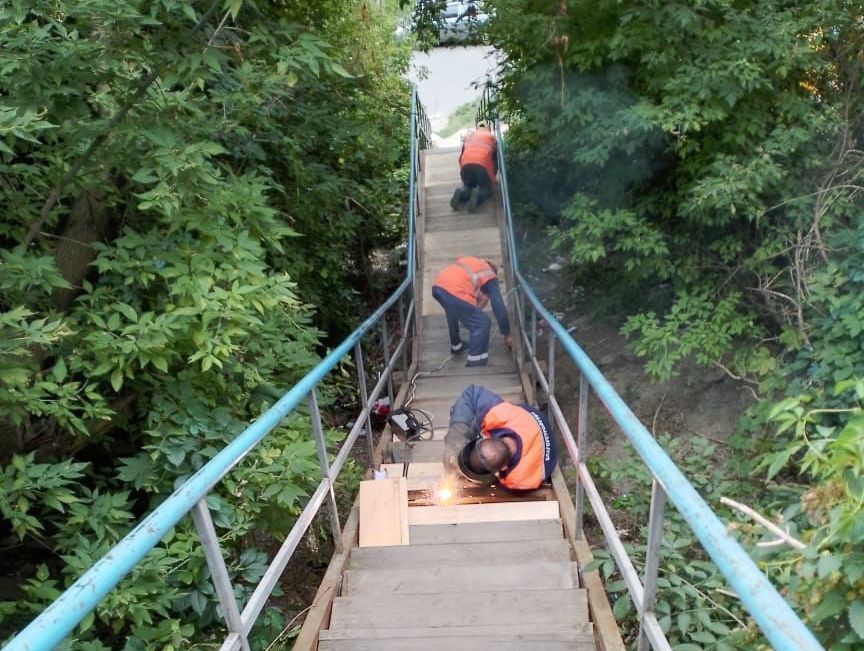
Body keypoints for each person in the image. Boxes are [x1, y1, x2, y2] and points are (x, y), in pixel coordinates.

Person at [444, 384, 557, 491]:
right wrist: (457, 433)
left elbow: (490, 484)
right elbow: (471, 393)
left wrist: (471, 480)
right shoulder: (502, 414)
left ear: (501, 471)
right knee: (471, 419)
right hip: (526, 419)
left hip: (538, 451)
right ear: (487, 438)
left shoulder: (518, 480)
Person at [432, 256, 512, 367]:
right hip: (455, 290)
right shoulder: (490, 274)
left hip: (438, 286)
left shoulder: (470, 263)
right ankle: (476, 362)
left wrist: (479, 305)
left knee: (452, 311)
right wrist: (507, 333)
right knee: (482, 323)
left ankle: (457, 345)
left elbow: (469, 308)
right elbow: (498, 305)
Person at [450, 125, 498, 213]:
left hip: (466, 165)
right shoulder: (492, 138)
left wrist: (463, 173)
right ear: (488, 129)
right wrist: (492, 181)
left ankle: (461, 192)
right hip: (482, 165)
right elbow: (494, 163)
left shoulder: (469, 136)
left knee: (468, 185)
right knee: (485, 189)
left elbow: (461, 158)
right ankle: (479, 195)